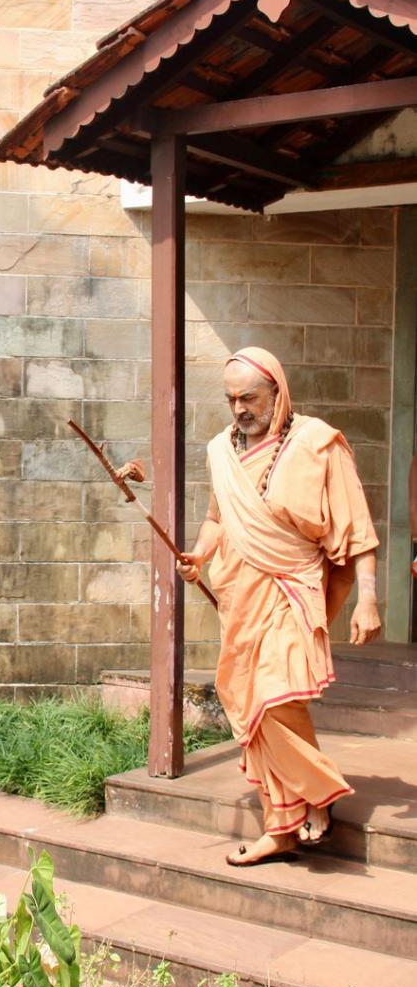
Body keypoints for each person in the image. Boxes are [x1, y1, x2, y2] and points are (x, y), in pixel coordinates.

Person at [176, 346, 381, 867]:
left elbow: (356, 525)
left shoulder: (317, 443)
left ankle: (318, 793)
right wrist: (198, 554)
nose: (239, 408)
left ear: (277, 391)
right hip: (239, 598)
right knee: (250, 707)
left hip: (293, 589)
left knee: (276, 698)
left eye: (249, 397)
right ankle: (281, 826)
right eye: (231, 399)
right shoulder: (221, 450)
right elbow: (217, 517)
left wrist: (368, 598)